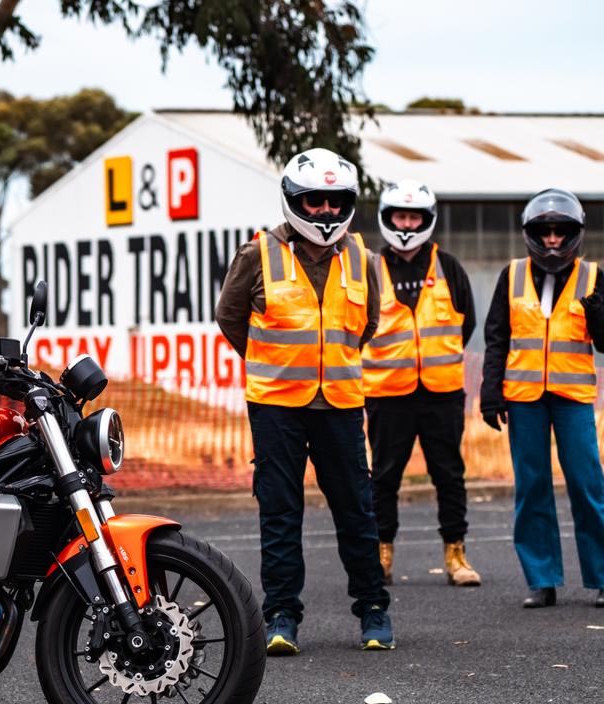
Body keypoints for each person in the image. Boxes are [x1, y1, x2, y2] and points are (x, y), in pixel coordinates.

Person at [216, 148, 393, 655]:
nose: (325, 212)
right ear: (295, 201)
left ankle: (373, 612)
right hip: (276, 406)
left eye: (336, 202)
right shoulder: (257, 254)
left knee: (357, 511)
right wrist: (279, 360)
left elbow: (369, 323)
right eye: (314, 202)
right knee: (280, 513)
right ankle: (281, 617)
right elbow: (231, 319)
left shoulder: (363, 257)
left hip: (339, 403)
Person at [480, 188, 604, 610]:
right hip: (524, 398)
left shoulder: (594, 276)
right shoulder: (511, 275)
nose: (552, 240)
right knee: (532, 488)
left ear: (574, 234)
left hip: (573, 397)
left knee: (588, 485)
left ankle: (602, 577)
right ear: (531, 234)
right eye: (544, 232)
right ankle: (542, 579)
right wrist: (490, 391)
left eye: (560, 232)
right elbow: (496, 337)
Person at [361, 179, 481, 587]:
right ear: (387, 218)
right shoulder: (369, 270)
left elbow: (467, 322)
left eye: (414, 216)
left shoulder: (449, 266)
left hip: (441, 392)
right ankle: (382, 555)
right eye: (400, 216)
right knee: (384, 478)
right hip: (387, 393)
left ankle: (456, 555)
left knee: (449, 474)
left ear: (427, 220)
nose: (407, 224)